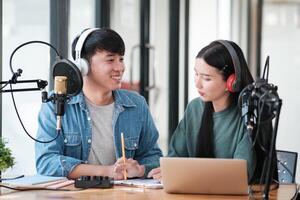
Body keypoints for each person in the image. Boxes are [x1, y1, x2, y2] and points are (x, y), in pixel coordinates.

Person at [35, 28, 162, 180]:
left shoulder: (137, 104)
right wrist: (107, 171)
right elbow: (46, 161)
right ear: (83, 65)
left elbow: (154, 157)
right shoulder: (56, 104)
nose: (120, 68)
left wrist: (140, 170)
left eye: (121, 59)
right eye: (110, 60)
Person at [148, 40, 257, 182]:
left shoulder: (248, 115)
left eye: (206, 78)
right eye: (196, 74)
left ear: (232, 82)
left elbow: (241, 174)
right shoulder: (194, 109)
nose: (197, 83)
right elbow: (174, 159)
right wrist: (142, 169)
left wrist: (185, 173)